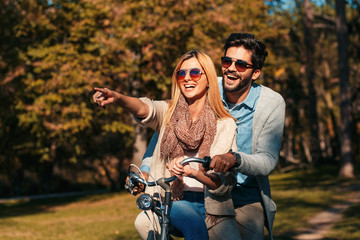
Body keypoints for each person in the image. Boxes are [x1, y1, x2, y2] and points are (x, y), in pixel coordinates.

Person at [139, 33, 286, 240]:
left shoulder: (271, 103)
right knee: (151, 224)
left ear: (255, 73)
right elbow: (169, 125)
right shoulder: (206, 85)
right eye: (227, 61)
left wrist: (234, 159)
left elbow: (268, 161)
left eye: (241, 65)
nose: (231, 68)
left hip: (244, 195)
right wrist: (145, 169)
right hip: (204, 192)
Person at [93, 50, 241, 240]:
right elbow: (146, 108)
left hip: (215, 208)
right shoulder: (168, 113)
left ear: (209, 78)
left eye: (195, 73)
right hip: (175, 200)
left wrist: (194, 172)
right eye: (181, 73)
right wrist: (118, 98)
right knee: (167, 223)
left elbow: (223, 184)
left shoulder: (225, 124)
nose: (187, 78)